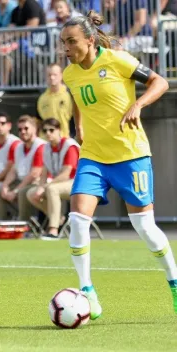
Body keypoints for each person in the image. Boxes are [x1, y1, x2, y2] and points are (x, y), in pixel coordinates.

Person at [60, 11, 177, 320]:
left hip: (131, 155)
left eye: (71, 42)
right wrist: (79, 124)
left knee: (145, 227)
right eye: (63, 43)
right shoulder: (70, 73)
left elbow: (160, 81)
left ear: (89, 40)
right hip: (94, 157)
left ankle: (174, 282)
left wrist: (138, 104)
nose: (66, 48)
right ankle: (87, 292)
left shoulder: (117, 60)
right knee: (77, 219)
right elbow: (77, 95)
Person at [27, 118, 79, 240]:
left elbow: (66, 174)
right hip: (58, 183)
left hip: (78, 183)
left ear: (59, 130)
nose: (48, 133)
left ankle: (53, 230)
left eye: (51, 130)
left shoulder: (69, 145)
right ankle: (59, 218)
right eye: (45, 131)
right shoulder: (46, 148)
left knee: (51, 189)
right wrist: (40, 187)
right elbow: (44, 173)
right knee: (31, 193)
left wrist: (45, 187)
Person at [0, 115, 45, 220]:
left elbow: (34, 174)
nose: (23, 131)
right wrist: (5, 186)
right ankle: (1, 223)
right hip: (22, 181)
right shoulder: (19, 147)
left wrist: (15, 191)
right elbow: (14, 170)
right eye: (20, 129)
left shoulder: (40, 146)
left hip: (38, 182)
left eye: (26, 128)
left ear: (35, 129)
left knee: (22, 192)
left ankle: (24, 225)